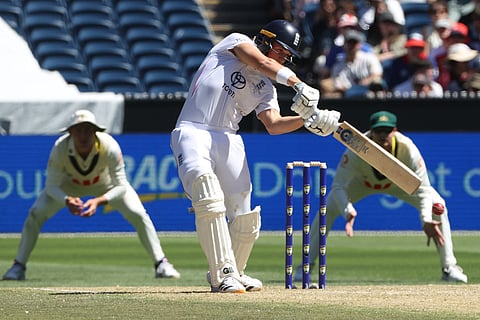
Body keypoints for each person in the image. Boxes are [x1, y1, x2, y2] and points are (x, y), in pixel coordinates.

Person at [169, 19, 340, 293]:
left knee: (245, 212)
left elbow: (273, 124)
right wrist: (298, 84)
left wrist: (307, 120)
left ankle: (236, 272)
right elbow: (262, 63)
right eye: (281, 52)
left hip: (229, 138)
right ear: (266, 40)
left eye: (288, 57)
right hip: (193, 130)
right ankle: (222, 275)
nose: (284, 59)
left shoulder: (265, 87)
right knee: (208, 195)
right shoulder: (235, 42)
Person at [2, 110, 180, 281]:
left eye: (88, 130)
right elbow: (51, 187)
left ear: (95, 132)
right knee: (35, 213)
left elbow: (121, 186)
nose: (83, 136)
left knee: (139, 214)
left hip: (105, 185)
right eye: (78, 130)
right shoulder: (60, 147)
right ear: (70, 132)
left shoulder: (109, 146)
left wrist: (99, 201)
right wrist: (66, 200)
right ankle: (18, 266)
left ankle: (161, 263)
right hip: (69, 187)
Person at [296, 111, 468, 283]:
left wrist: (426, 220)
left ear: (395, 131)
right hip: (362, 184)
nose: (383, 135)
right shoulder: (357, 147)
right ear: (371, 132)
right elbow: (338, 186)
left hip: (400, 184)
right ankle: (306, 266)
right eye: (379, 131)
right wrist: (348, 211)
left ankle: (449, 268)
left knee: (438, 205)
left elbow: (423, 189)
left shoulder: (407, 148)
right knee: (327, 208)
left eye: (387, 130)